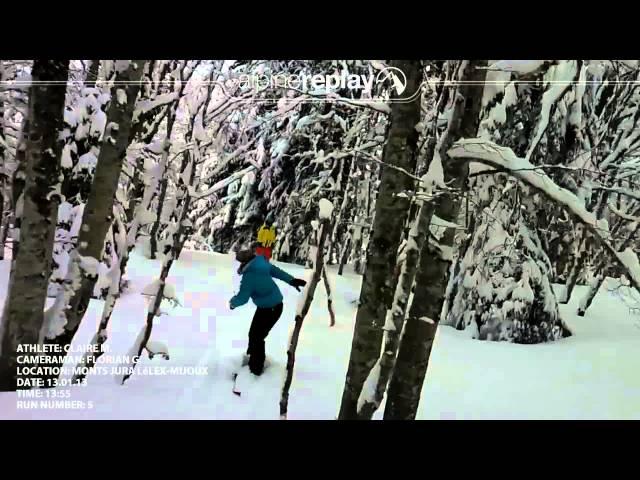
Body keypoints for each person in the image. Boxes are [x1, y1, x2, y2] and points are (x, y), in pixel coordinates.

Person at [229, 248, 306, 375]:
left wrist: (232, 303)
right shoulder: (261, 263)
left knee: (257, 337)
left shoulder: (249, 276)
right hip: (274, 306)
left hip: (269, 309)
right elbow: (276, 271)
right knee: (254, 334)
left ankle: (256, 370)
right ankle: (252, 359)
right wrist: (291, 280)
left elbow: (242, 298)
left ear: (244, 262)